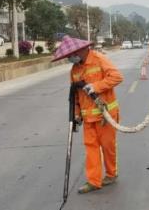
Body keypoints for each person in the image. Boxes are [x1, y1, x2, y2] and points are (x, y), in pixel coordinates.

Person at [52, 36, 124, 194]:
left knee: (108, 147)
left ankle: (111, 175)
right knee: (91, 148)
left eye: (73, 54)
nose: (71, 58)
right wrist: (77, 114)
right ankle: (94, 181)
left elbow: (117, 77)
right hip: (88, 118)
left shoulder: (99, 59)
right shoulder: (75, 70)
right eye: (69, 55)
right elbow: (76, 95)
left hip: (106, 115)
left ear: (82, 49)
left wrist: (97, 86)